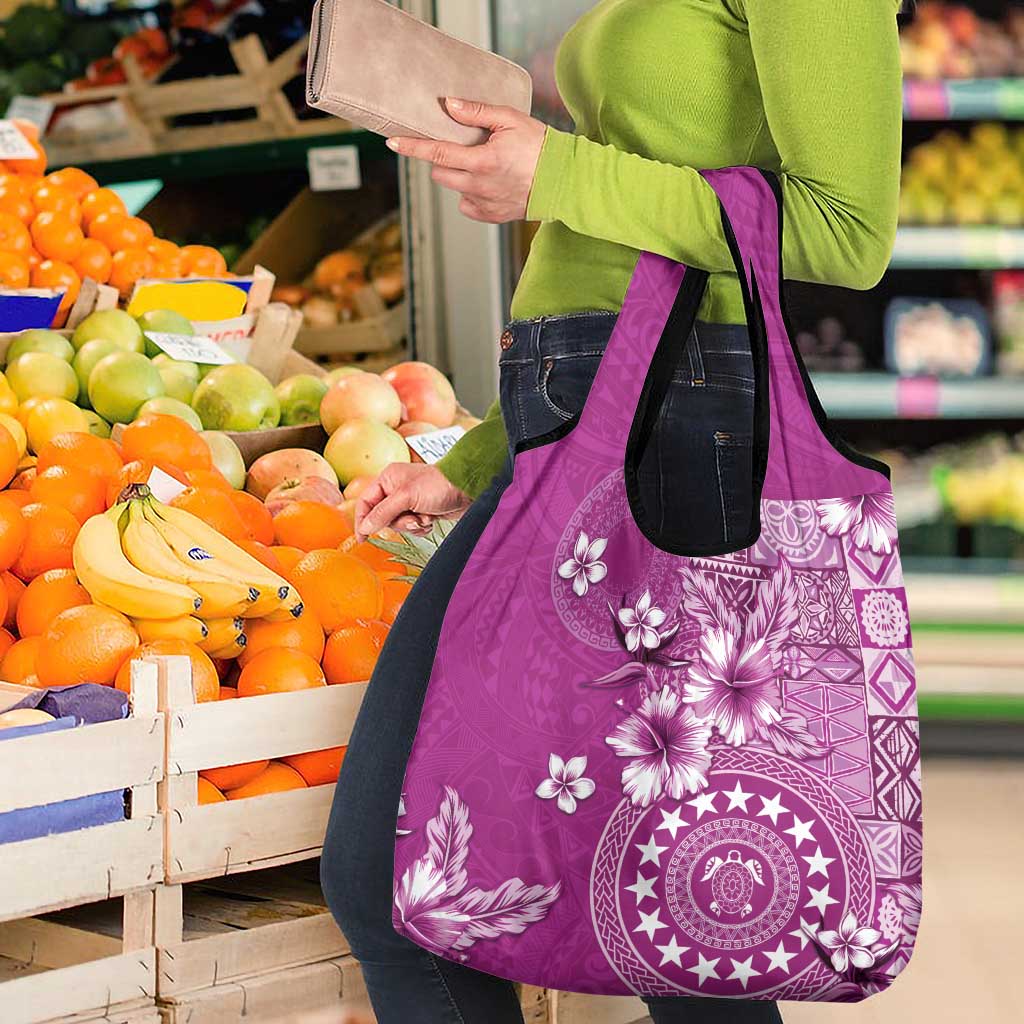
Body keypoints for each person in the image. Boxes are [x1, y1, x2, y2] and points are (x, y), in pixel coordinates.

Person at [321, 2, 904, 1021]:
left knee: (649, 913)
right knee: (666, 917)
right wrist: (479, 457)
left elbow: (847, 230)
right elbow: (621, 244)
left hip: (674, 439)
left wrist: (557, 172)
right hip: (587, 424)